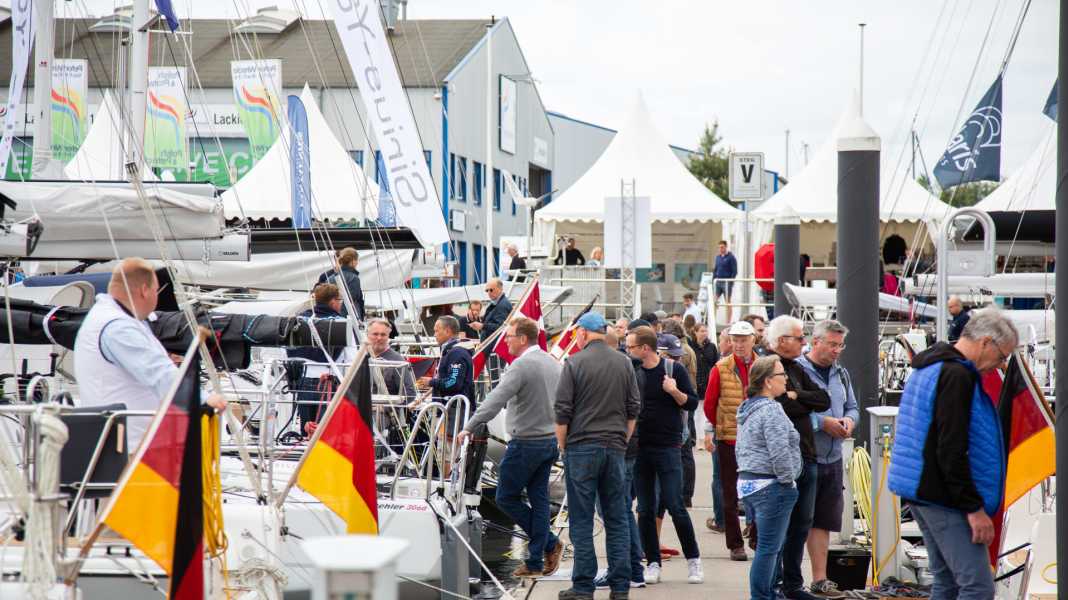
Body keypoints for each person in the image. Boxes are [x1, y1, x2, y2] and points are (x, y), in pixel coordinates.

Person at [888, 309, 1016, 600]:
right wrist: (973, 508)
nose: (1000, 365)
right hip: (943, 496)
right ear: (986, 342)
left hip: (921, 489)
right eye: (1001, 356)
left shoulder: (929, 366)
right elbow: (951, 449)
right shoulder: (957, 376)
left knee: (947, 582)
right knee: (977, 586)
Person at [74, 258, 225, 450]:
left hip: (125, 442)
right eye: (155, 290)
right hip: (128, 449)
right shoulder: (119, 327)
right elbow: (159, 373)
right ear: (145, 290)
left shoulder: (106, 318)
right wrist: (203, 399)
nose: (156, 296)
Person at [458, 317, 564, 577]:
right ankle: (536, 561)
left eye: (509, 336)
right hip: (549, 441)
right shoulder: (553, 362)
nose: (505, 341)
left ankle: (549, 543)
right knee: (539, 500)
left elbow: (495, 399)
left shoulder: (521, 366)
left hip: (525, 443)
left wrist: (470, 426)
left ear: (523, 339)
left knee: (505, 497)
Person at [554, 312, 641, 600]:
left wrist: (564, 447)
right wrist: (621, 440)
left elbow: (562, 412)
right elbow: (633, 408)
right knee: (617, 518)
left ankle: (583, 586)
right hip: (614, 447)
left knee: (581, 519)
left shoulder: (574, 362)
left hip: (581, 447)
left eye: (576, 333)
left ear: (583, 333)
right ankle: (620, 587)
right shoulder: (624, 362)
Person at [626, 328, 703, 585]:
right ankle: (652, 562)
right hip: (640, 448)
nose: (628, 351)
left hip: (668, 446)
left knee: (675, 504)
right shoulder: (632, 371)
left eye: (631, 347)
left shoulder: (673, 370)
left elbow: (692, 402)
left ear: (645, 348)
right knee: (645, 509)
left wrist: (673, 391)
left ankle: (694, 560)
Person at [766, 315, 831, 600]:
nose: (804, 342)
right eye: (799, 337)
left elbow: (823, 400)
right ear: (782, 341)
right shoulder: (769, 366)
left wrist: (797, 395)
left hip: (808, 455)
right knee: (780, 526)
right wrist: (799, 401)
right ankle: (774, 583)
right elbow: (780, 406)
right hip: (783, 460)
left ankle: (792, 584)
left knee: (802, 524)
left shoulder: (797, 368)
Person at [799, 320, 858, 599]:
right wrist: (822, 423)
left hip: (832, 458)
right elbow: (788, 410)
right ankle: (788, 579)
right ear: (816, 341)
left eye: (840, 345)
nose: (837, 350)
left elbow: (853, 407)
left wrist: (849, 421)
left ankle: (820, 579)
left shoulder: (841, 373)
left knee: (823, 520)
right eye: (832, 344)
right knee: (799, 521)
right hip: (805, 456)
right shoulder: (797, 370)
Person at [736, 355, 802, 600]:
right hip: (771, 486)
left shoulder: (748, 409)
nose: (786, 379)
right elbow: (779, 451)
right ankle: (762, 596)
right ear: (767, 381)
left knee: (769, 547)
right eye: (781, 374)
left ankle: (769, 594)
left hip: (750, 484)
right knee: (769, 548)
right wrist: (788, 480)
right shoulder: (771, 410)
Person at [702, 320, 758, 561]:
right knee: (730, 493)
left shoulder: (762, 366)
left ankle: (756, 536)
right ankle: (736, 544)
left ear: (753, 340)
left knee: (758, 490)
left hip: (756, 440)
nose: (739, 344)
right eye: (735, 340)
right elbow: (709, 404)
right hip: (729, 439)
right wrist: (717, 427)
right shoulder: (720, 367)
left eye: (743, 340)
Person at [288, 284, 347, 436]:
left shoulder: (298, 320)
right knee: (326, 433)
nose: (341, 304)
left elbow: (288, 351)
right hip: (329, 382)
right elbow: (350, 356)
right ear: (333, 301)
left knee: (307, 432)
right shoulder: (342, 323)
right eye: (340, 300)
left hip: (304, 382)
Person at [366, 318, 417, 401]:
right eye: (375, 334)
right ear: (368, 335)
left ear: (388, 336)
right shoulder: (361, 358)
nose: (379, 338)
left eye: (383, 335)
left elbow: (409, 393)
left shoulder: (397, 361)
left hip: (387, 408)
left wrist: (388, 406)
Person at [319, 247, 365, 320]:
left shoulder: (330, 278)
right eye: (356, 260)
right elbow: (351, 301)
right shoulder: (354, 278)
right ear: (353, 261)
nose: (357, 263)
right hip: (350, 318)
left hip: (332, 317)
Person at [471, 278, 512, 343]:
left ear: (500, 289)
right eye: (487, 290)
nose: (489, 293)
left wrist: (482, 326)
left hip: (493, 345)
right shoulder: (497, 303)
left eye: (491, 290)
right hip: (489, 343)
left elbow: (500, 327)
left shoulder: (502, 305)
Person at [713, 241, 738, 322]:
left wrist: (731, 281)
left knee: (728, 302)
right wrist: (713, 279)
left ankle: (728, 321)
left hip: (726, 282)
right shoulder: (718, 257)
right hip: (718, 282)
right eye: (719, 247)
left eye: (722, 247)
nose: (720, 249)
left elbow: (734, 271)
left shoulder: (731, 257)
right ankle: (713, 319)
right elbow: (716, 269)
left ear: (726, 247)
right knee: (714, 301)